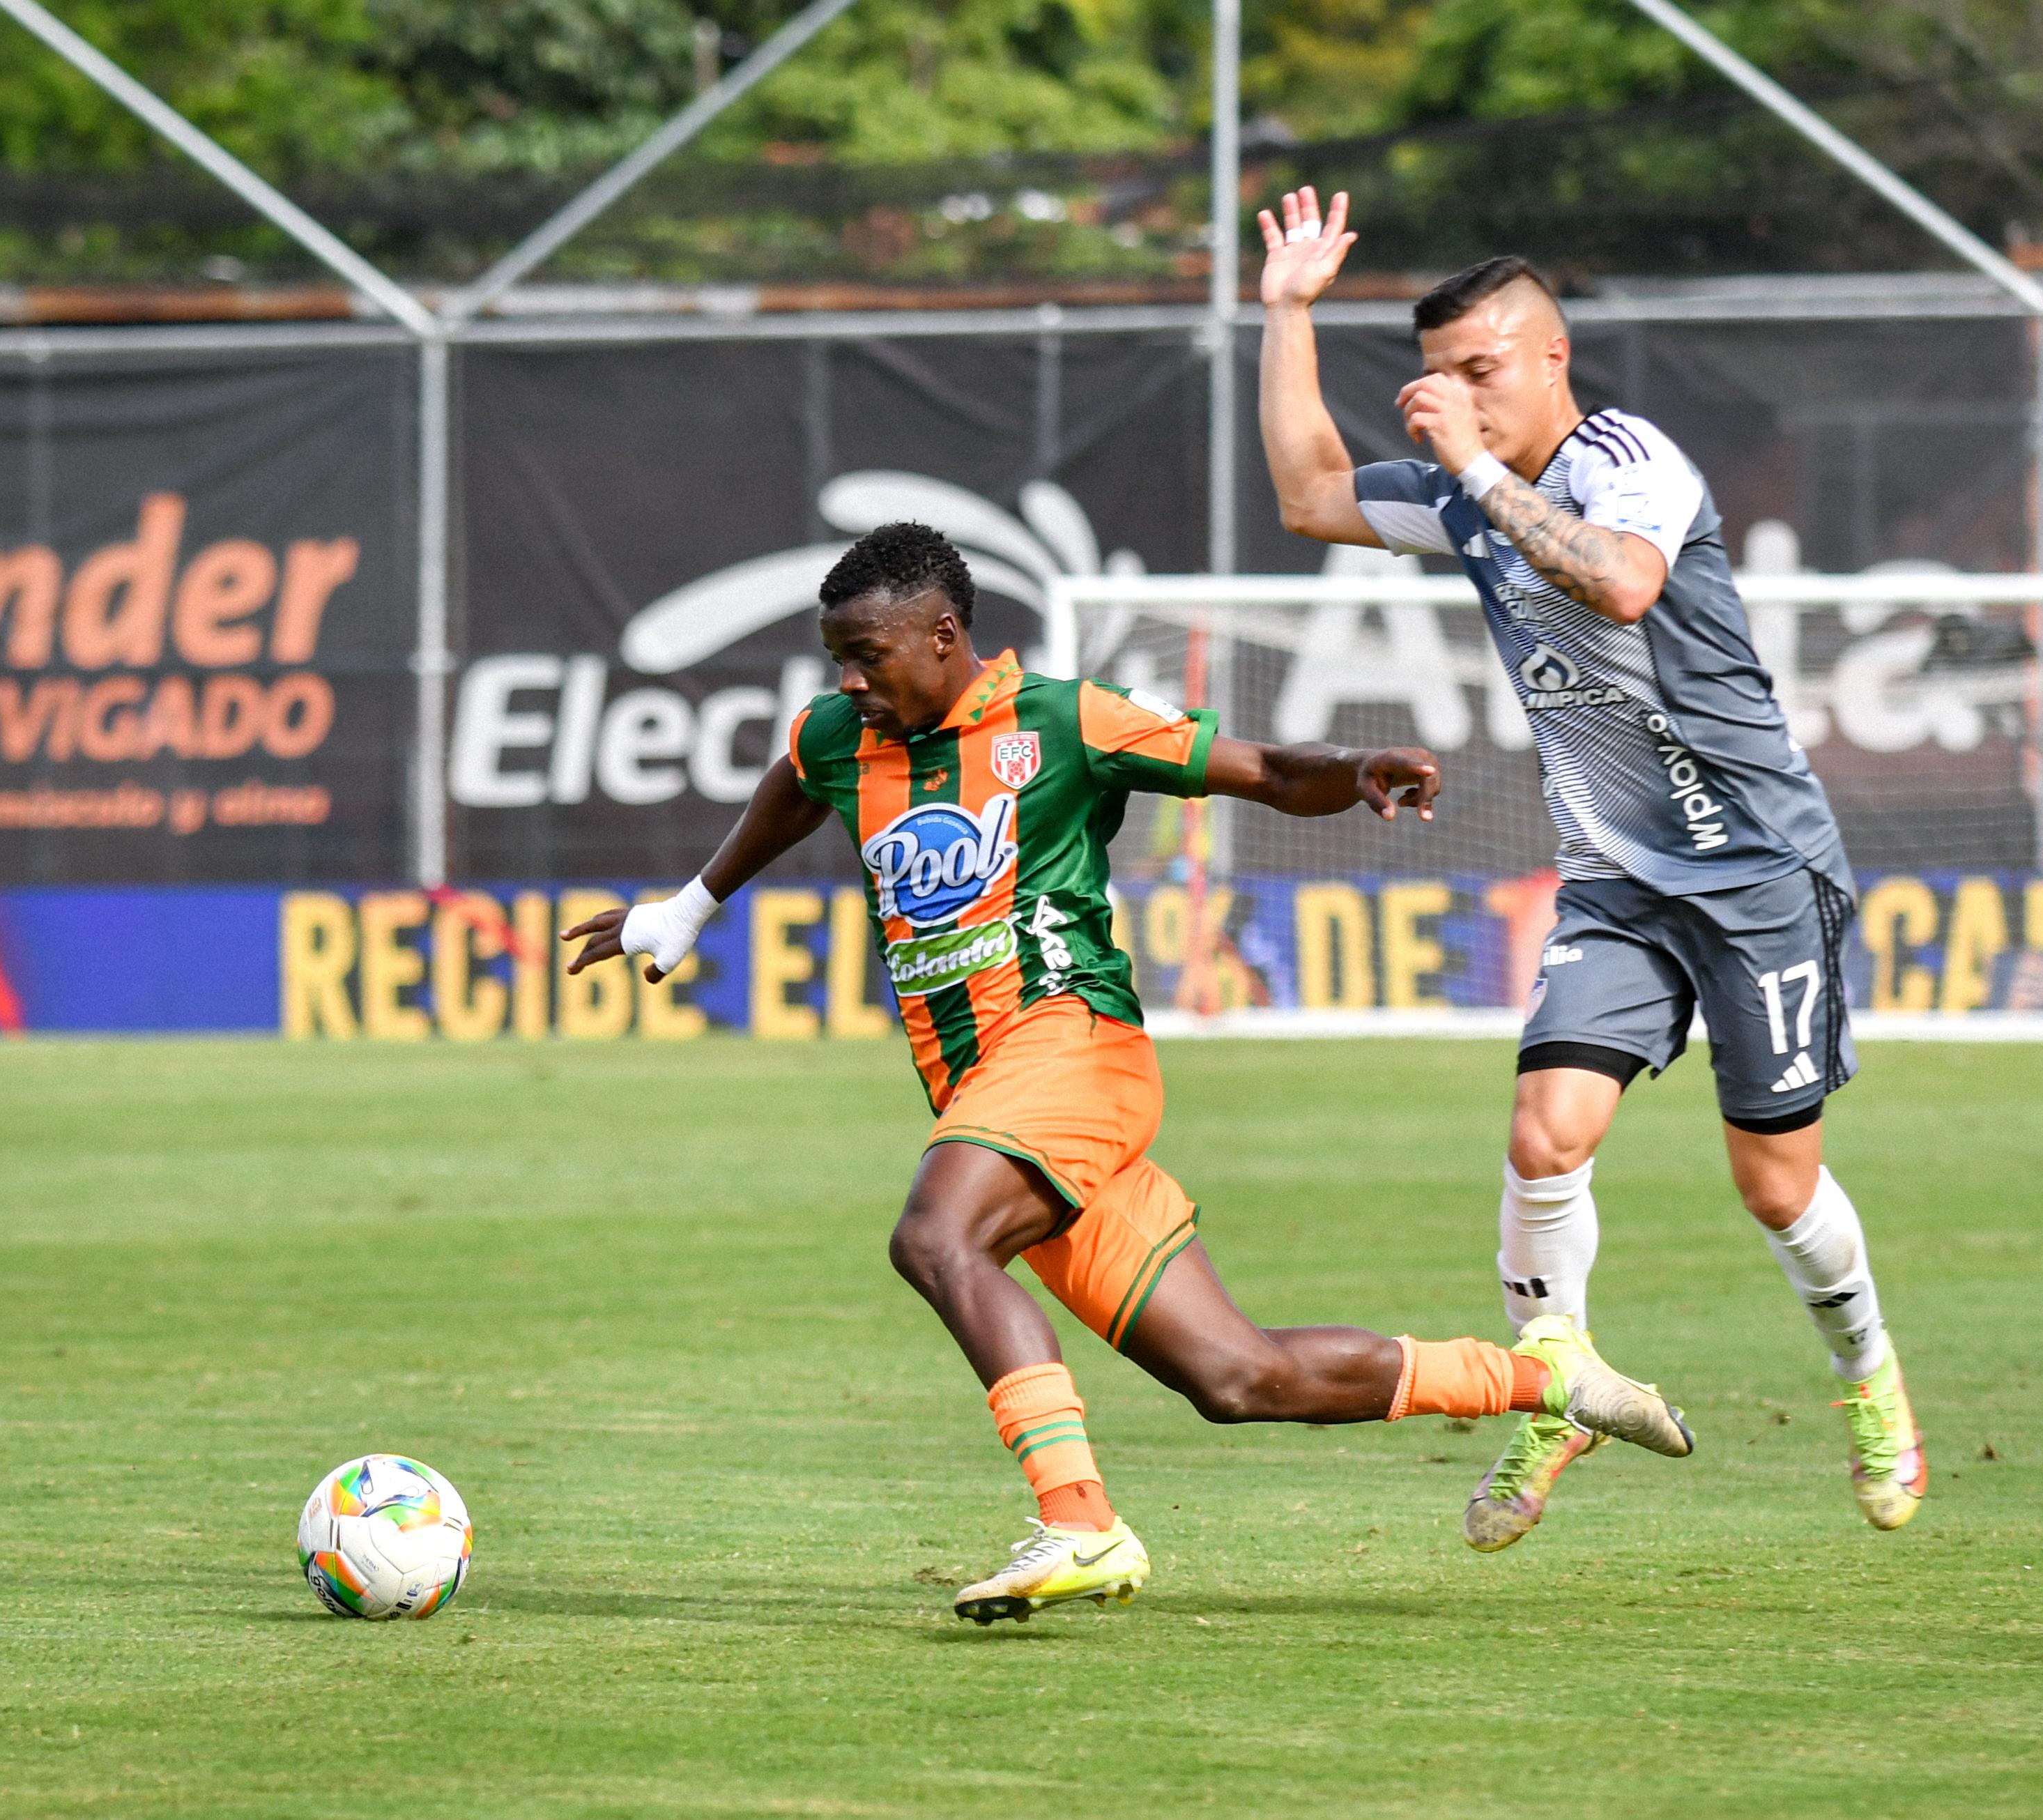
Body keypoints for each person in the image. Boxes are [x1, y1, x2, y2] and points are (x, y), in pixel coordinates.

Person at [562, 521, 1695, 1626]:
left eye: (869, 657)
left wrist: (1354, 769)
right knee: (1238, 1378)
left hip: (1072, 1051)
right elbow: (792, 787)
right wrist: (690, 906)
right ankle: (1555, 1385)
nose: (850, 682)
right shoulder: (838, 738)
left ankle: (1080, 1522)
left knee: (935, 1239)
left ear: (945, 635)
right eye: (839, 662)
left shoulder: (1062, 721)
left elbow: (1254, 769)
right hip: (993, 1104)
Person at [1253, 185, 1926, 1548]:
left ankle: (1872, 1383)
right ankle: (1555, 1392)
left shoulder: (1632, 461)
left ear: (1550, 358)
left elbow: (1618, 583)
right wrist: (1287, 313)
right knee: (1543, 1135)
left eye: (1480, 373)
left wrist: (1480, 478)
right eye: (1436, 379)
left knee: (1774, 1183)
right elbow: (1311, 494)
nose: (1454, 399)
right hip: (1616, 882)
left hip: (1755, 872)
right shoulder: (1468, 489)